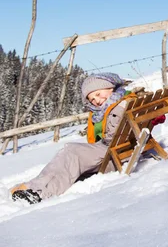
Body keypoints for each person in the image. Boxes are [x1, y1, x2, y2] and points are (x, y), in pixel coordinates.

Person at [10, 73, 137, 204]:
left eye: (98, 94)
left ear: (110, 87)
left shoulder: (119, 106)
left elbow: (113, 137)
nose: (97, 101)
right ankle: (37, 187)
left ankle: (36, 190)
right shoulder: (120, 102)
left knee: (71, 152)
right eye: (92, 99)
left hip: (116, 152)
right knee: (69, 157)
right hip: (118, 150)